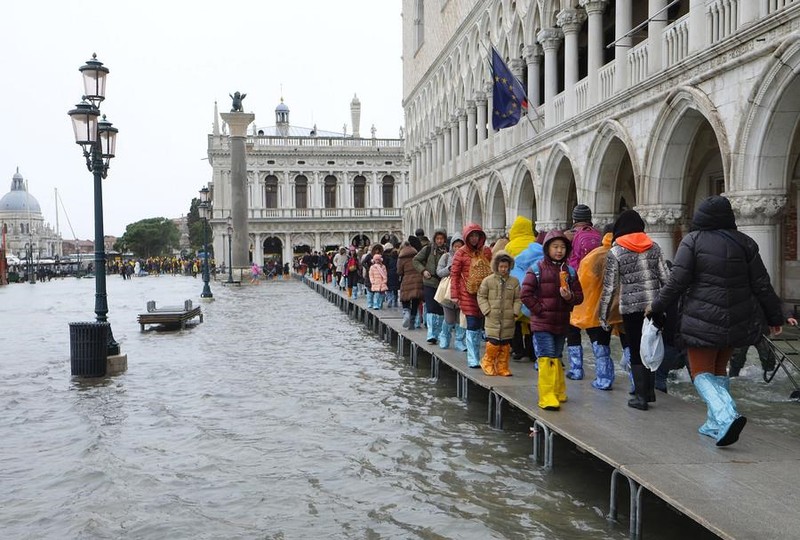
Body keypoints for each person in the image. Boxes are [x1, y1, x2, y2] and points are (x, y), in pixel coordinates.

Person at [649, 195, 784, 446]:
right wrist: (775, 317)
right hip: (738, 319)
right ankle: (714, 423)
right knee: (719, 370)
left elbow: (676, 282)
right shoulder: (746, 243)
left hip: (702, 319)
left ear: (701, 217)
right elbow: (762, 284)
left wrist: (656, 308)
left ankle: (726, 414)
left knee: (700, 372)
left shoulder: (693, 241)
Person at [599, 209, 669, 411]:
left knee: (637, 348)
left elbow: (610, 287)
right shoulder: (654, 247)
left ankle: (641, 397)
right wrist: (664, 305)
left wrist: (603, 316)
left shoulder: (615, 252)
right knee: (651, 345)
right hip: (654, 306)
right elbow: (666, 279)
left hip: (631, 309)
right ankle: (650, 391)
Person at [520, 230, 583, 409]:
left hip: (561, 321)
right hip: (542, 322)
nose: (559, 250)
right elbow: (525, 294)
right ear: (547, 248)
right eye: (555, 247)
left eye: (562, 247)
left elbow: (579, 297)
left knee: (556, 355)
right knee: (546, 355)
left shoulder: (569, 271)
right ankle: (547, 396)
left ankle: (558, 391)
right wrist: (540, 310)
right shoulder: (537, 269)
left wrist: (569, 296)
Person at [570, 224, 624, 390]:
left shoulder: (594, 256)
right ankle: (637, 385)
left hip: (596, 307)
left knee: (599, 341)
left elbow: (584, 282)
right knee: (628, 343)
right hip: (621, 307)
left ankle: (601, 378)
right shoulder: (626, 253)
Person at [563, 204, 602, 380]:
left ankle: (577, 370)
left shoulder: (572, 237)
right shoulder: (598, 235)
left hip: (577, 288)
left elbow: (570, 264)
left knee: (573, 329)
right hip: (596, 290)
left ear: (574, 219)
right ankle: (603, 374)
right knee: (595, 330)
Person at [450, 223, 494, 368]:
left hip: (485, 293)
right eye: (472, 236)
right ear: (467, 237)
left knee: (481, 324)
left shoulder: (486, 252)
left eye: (477, 236)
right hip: (467, 293)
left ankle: (481, 355)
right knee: (472, 323)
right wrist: (455, 295)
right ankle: (473, 357)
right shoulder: (460, 253)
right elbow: (455, 275)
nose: (474, 239)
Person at [477, 250, 521, 376]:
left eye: (506, 267)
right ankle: (488, 362)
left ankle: (502, 366)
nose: (503, 269)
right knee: (493, 343)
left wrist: (515, 312)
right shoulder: (488, 281)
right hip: (492, 317)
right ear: (496, 266)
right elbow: (481, 296)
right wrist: (487, 310)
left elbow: (518, 298)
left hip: (508, 318)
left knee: (505, 344)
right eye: (501, 267)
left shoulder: (514, 282)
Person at [505, 216, 539, 363]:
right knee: (532, 320)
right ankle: (532, 352)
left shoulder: (510, 246)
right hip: (533, 287)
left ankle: (518, 350)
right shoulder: (535, 244)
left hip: (516, 287)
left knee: (515, 319)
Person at [414, 228, 448, 343]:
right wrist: (423, 271)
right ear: (434, 239)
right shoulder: (427, 249)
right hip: (429, 282)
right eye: (437, 239)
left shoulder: (447, 251)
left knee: (441, 309)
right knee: (431, 307)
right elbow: (416, 260)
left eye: (441, 238)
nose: (439, 241)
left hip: (443, 283)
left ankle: (439, 333)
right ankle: (431, 333)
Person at [436, 234, 466, 351]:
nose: (457, 249)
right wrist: (449, 269)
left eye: (460, 246)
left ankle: (459, 340)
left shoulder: (467, 257)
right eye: (455, 246)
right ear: (452, 247)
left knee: (460, 319)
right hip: (448, 290)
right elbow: (439, 272)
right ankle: (445, 335)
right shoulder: (446, 256)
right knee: (449, 319)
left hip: (462, 290)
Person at [397, 239, 424, 329]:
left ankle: (406, 313)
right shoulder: (417, 254)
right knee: (415, 301)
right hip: (418, 280)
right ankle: (412, 323)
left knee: (405, 298)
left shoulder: (401, 257)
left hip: (407, 279)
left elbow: (399, 271)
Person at [383, 243, 399, 308]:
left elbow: (384, 266)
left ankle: (389, 300)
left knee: (389, 288)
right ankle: (395, 301)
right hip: (396, 273)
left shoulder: (385, 256)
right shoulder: (397, 256)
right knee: (395, 288)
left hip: (388, 273)